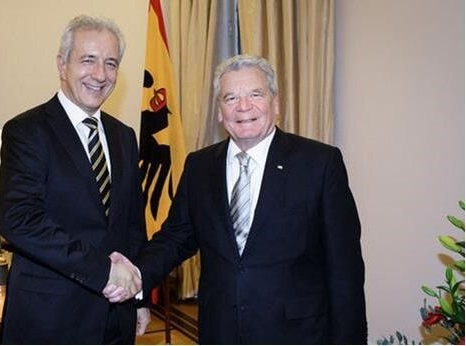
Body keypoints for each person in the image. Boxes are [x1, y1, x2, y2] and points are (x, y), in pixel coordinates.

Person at [108, 54, 367, 344]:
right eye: (230, 98)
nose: (243, 107)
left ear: (276, 103)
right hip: (221, 331)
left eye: (255, 94)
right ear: (220, 111)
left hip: (297, 334)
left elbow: (345, 269)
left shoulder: (319, 164)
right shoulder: (200, 166)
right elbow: (176, 238)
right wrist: (137, 274)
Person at [0, 14, 149, 344]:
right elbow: (20, 221)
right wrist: (104, 271)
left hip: (115, 317)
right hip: (50, 319)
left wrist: (138, 297)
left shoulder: (124, 136)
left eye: (111, 63)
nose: (100, 74)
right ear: (62, 64)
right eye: (88, 60)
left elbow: (133, 226)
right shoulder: (26, 132)